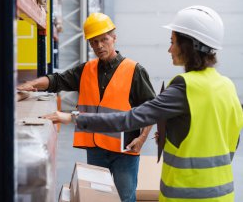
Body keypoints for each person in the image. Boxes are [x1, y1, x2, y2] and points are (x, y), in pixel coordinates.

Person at [43, 6, 243, 202]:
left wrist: (72, 117)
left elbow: (129, 119)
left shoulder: (184, 86)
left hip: (186, 194)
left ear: (189, 47)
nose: (169, 49)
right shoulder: (227, 86)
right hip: (223, 193)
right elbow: (228, 139)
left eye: (172, 42)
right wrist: (173, 135)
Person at [18, 12, 155, 202]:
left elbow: (151, 108)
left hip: (125, 150)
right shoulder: (85, 70)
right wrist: (32, 84)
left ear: (114, 38)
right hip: (96, 148)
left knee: (125, 198)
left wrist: (142, 138)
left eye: (103, 39)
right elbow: (57, 80)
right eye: (94, 42)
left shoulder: (134, 70)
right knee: (98, 198)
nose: (99, 46)